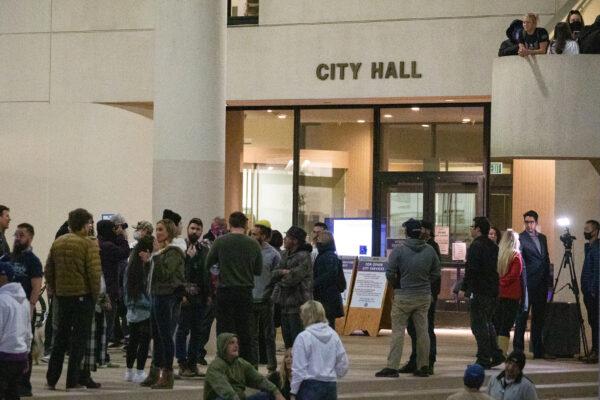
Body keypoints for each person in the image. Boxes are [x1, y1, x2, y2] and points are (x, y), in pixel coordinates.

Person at [45, 208, 101, 391]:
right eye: (89, 223)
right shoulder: (88, 244)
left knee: (60, 339)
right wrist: (95, 296)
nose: (91, 226)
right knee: (78, 341)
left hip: (62, 297)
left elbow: (49, 269)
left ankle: (51, 380)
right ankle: (72, 381)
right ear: (84, 225)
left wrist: (54, 289)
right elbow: (93, 273)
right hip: (82, 297)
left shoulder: (58, 242)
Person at [376, 218, 440, 378]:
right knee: (423, 331)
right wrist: (425, 282)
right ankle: (424, 365)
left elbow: (390, 272)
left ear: (407, 233)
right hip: (423, 296)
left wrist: (398, 285)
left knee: (398, 332)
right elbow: (436, 273)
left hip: (403, 296)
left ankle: (392, 366)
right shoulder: (430, 250)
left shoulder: (399, 250)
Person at [205, 212, 262, 366]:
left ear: (230, 224)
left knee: (224, 331)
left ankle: (224, 365)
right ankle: (247, 367)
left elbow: (208, 263)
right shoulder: (253, 244)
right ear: (245, 225)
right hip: (245, 292)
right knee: (246, 332)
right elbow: (258, 270)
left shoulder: (220, 242)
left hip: (225, 291)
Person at [141, 219, 185, 389]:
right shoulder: (160, 251)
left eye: (161, 230)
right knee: (157, 336)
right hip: (155, 295)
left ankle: (167, 374)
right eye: (157, 229)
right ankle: (155, 372)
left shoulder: (173, 252)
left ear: (169, 232)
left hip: (167, 296)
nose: (157, 233)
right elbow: (153, 275)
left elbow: (167, 274)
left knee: (165, 336)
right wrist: (149, 260)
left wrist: (156, 256)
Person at [461, 216, 504, 369]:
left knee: (478, 325)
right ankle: (496, 353)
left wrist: (464, 289)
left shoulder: (476, 246)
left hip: (480, 290)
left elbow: (472, 270)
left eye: (472, 226)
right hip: (492, 290)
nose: (471, 229)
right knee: (488, 323)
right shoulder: (493, 246)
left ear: (478, 229)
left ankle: (484, 357)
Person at [401, 220, 441, 375]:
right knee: (413, 328)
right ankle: (416, 359)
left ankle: (428, 361)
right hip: (415, 293)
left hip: (426, 294)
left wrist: (431, 292)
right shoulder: (419, 245)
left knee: (426, 328)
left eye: (421, 229)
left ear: (427, 230)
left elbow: (435, 273)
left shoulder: (431, 247)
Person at [290, 300, 348, 400]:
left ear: (306, 316)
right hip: (330, 386)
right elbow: (343, 363)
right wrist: (333, 374)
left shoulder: (303, 337)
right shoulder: (334, 335)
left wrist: (293, 391)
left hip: (309, 386)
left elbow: (299, 368)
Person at [10, 223, 43, 397]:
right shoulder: (8, 258)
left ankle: (24, 383)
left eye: (21, 235)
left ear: (30, 237)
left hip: (24, 310)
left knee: (25, 347)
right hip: (8, 311)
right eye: (16, 235)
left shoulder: (33, 261)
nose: (17, 238)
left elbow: (36, 286)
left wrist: (31, 307)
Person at [176, 218, 211, 377]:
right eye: (192, 228)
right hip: (185, 296)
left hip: (200, 297)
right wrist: (181, 294)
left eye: (198, 229)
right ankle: (182, 363)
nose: (195, 231)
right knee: (182, 330)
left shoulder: (204, 250)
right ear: (187, 229)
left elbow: (206, 273)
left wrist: (209, 294)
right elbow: (181, 273)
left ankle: (193, 362)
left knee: (198, 331)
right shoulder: (180, 248)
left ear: (201, 231)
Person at [204, 333, 285, 400]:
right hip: (226, 398)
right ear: (223, 346)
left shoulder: (241, 363)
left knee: (267, 396)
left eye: (236, 343)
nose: (236, 346)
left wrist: (276, 391)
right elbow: (225, 390)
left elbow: (259, 379)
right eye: (231, 343)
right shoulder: (215, 366)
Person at [514, 210, 551, 359]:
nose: (529, 225)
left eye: (531, 222)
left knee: (539, 317)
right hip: (527, 283)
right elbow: (519, 261)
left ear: (536, 222)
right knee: (522, 316)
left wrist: (548, 281)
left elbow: (545, 258)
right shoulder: (520, 238)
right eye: (526, 222)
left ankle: (538, 349)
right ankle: (518, 349)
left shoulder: (542, 238)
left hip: (541, 283)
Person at [270, 226, 313, 349]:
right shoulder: (284, 254)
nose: (284, 239)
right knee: (287, 341)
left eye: (287, 237)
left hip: (299, 304)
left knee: (298, 340)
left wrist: (281, 276)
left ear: (295, 241)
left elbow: (293, 279)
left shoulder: (304, 256)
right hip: (284, 304)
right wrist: (282, 272)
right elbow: (273, 274)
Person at [250, 220, 281, 372]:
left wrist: (272, 297)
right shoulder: (247, 250)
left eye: (255, 234)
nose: (252, 236)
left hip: (266, 300)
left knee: (269, 334)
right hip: (251, 298)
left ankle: (271, 364)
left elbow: (278, 279)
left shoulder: (273, 255)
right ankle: (253, 365)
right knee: (252, 335)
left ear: (264, 236)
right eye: (251, 233)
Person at [123, 235, 154, 383]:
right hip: (146, 311)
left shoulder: (130, 266)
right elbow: (149, 289)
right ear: (147, 251)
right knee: (144, 342)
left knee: (133, 342)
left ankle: (129, 371)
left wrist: (129, 305)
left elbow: (125, 290)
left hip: (132, 311)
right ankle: (140, 371)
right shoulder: (147, 267)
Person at [0, 262, 32, 400]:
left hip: (4, 357)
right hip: (19, 357)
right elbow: (28, 331)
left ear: (3, 277)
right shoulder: (23, 300)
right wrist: (26, 355)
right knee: (13, 393)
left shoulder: (2, 300)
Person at [97, 219, 130, 353]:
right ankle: (102, 355)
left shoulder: (99, 243)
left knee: (102, 324)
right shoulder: (107, 246)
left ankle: (100, 353)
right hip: (109, 290)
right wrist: (121, 236)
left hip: (101, 289)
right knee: (107, 324)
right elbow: (124, 252)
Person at [492, 230, 523, 357]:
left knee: (497, 323)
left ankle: (494, 350)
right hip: (512, 295)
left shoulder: (498, 254)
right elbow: (514, 275)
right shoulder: (516, 256)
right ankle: (502, 352)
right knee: (506, 325)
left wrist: (498, 283)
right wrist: (503, 283)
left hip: (498, 294)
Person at [312, 231, 343, 329]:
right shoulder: (326, 254)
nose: (316, 242)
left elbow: (330, 274)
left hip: (327, 295)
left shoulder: (327, 255)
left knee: (327, 323)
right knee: (326, 322)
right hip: (328, 294)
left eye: (318, 239)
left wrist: (314, 283)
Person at [109, 213, 130, 347]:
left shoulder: (122, 237)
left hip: (121, 268)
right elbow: (123, 252)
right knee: (116, 308)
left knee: (121, 308)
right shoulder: (113, 240)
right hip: (117, 269)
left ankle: (120, 336)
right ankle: (117, 336)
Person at [581, 219, 599, 363]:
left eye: (588, 229)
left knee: (595, 321)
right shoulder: (590, 247)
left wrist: (593, 289)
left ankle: (596, 351)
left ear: (595, 231)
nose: (585, 231)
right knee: (592, 321)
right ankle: (594, 350)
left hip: (594, 293)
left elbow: (597, 270)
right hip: (588, 292)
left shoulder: (597, 248)